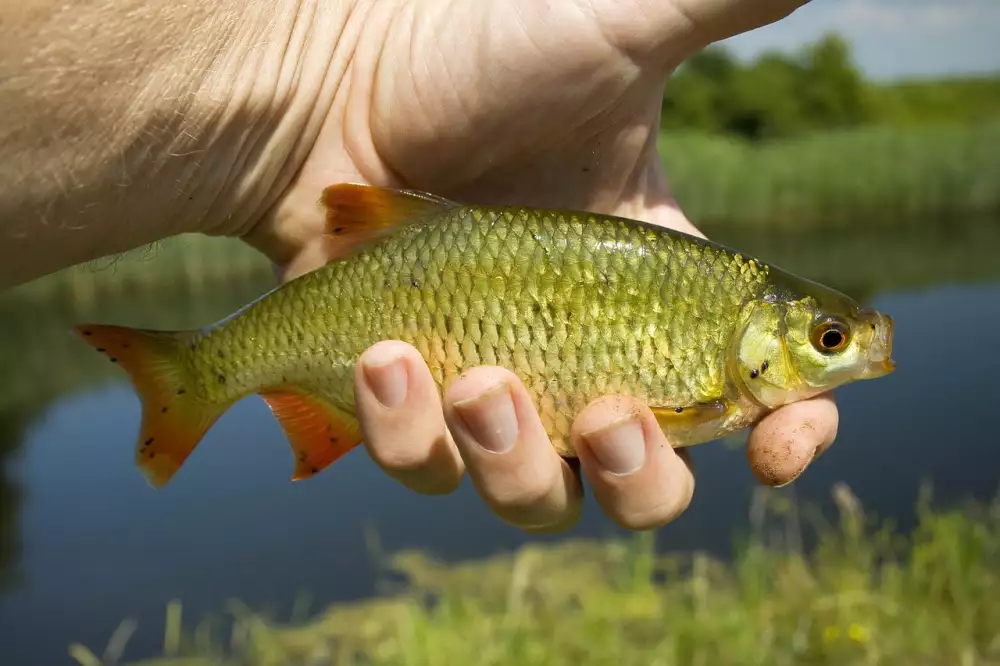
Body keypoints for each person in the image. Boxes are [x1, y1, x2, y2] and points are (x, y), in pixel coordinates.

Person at [0, 0, 838, 533]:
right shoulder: (721, 380)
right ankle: (195, 370)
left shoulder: (719, 315)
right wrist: (328, 85)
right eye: (828, 338)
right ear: (768, 332)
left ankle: (209, 371)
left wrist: (319, 89)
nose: (841, 350)